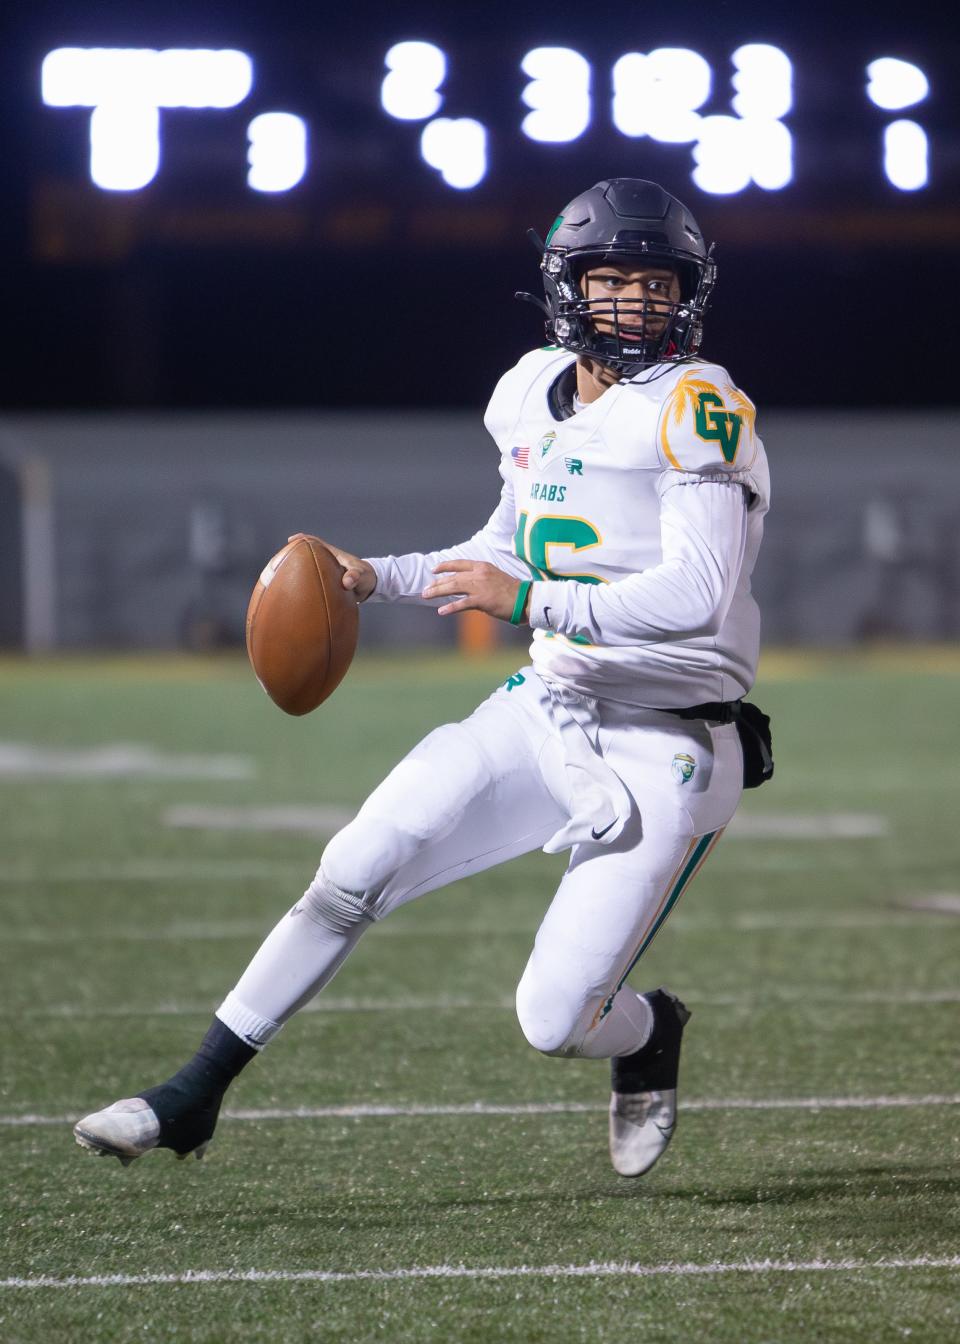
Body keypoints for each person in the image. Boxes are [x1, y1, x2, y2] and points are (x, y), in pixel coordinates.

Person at [74, 177, 771, 1180]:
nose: (637, 303)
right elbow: (507, 543)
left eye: (656, 283)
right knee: (355, 866)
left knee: (553, 1020)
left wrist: (526, 602)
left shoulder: (699, 407)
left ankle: (650, 1030)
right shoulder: (528, 390)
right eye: (611, 279)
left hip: (672, 738)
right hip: (550, 709)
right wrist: (381, 578)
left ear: (687, 294)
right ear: (566, 287)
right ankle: (192, 1094)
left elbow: (694, 595)